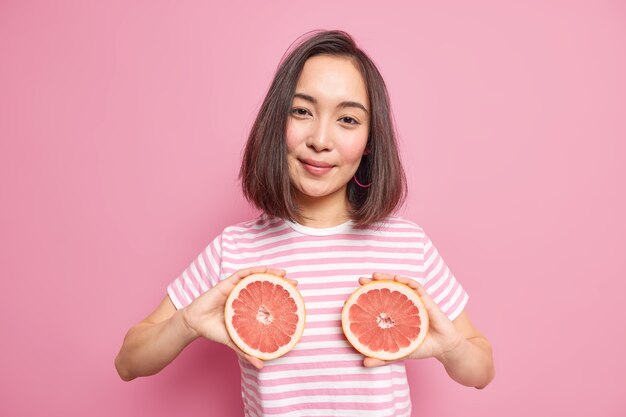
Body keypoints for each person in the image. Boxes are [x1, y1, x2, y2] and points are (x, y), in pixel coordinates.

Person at [115, 30, 495, 416]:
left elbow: (481, 370)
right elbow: (128, 362)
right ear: (276, 123)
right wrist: (187, 325)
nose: (320, 139)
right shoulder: (235, 249)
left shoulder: (407, 244)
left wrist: (451, 349)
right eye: (302, 111)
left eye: (347, 119)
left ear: (369, 143)